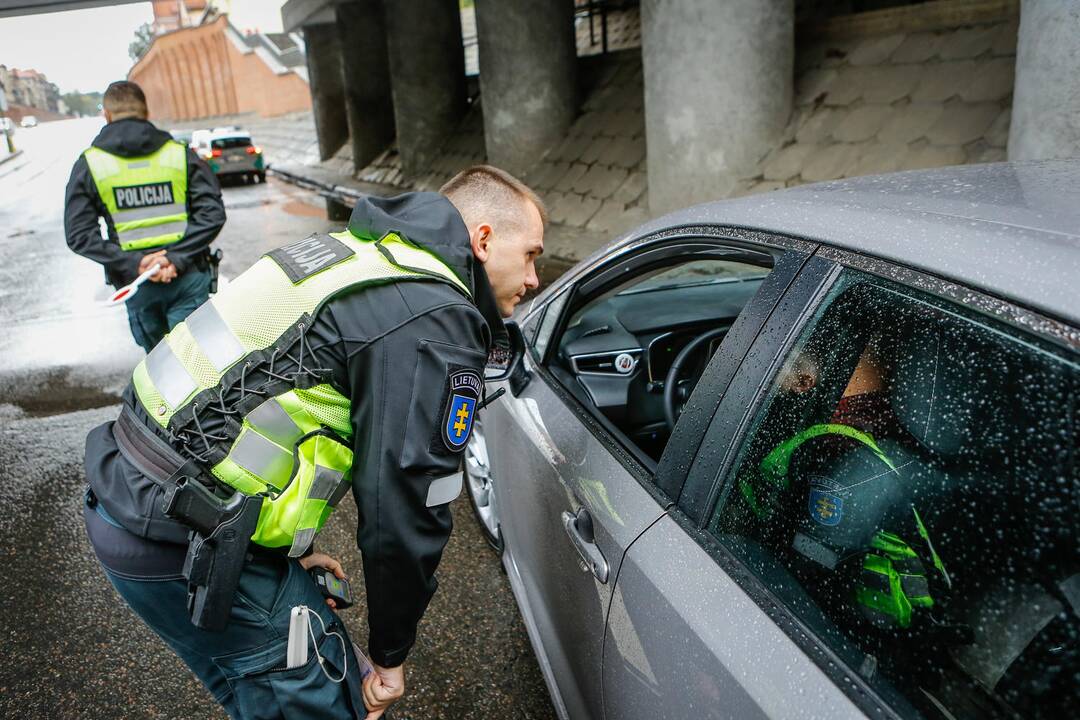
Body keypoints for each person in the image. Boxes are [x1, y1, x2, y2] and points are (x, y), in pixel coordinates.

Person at [82, 164, 546, 719]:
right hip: (182, 535)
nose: (535, 278)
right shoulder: (433, 315)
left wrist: (280, 552)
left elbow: (250, 401)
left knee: (261, 689)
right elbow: (405, 508)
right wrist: (389, 654)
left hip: (131, 496)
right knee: (327, 691)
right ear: (484, 239)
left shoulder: (356, 254)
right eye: (532, 255)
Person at [65, 80, 225, 352]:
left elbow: (79, 235)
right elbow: (212, 213)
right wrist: (175, 258)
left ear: (106, 114)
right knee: (198, 361)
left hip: (137, 285)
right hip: (187, 273)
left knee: (160, 365)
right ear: (146, 113)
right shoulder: (180, 154)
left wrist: (136, 263)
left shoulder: (90, 165)